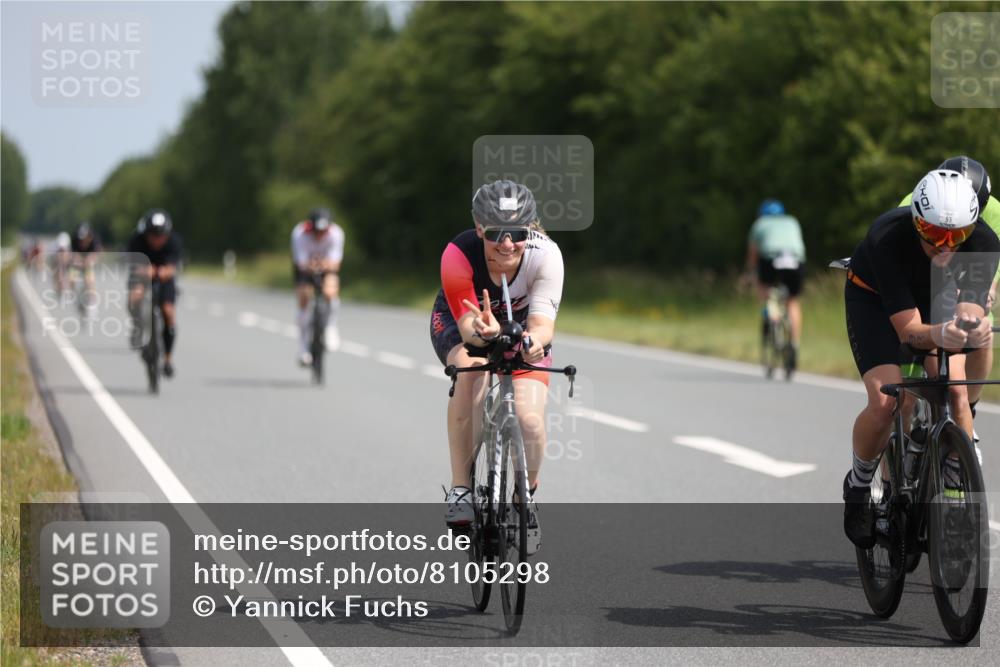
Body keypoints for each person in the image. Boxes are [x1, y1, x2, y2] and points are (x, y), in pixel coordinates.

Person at [842, 169, 998, 548]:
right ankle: (859, 485)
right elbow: (909, 332)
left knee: (957, 392)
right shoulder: (887, 237)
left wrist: (973, 326)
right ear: (916, 221)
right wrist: (940, 334)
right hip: (876, 300)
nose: (945, 246)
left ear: (972, 227)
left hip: (935, 291)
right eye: (934, 235)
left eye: (956, 236)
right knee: (887, 402)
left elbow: (969, 309)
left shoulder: (984, 241)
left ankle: (955, 486)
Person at [431, 180, 564, 555]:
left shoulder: (546, 255)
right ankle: (461, 487)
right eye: (496, 233)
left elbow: (542, 327)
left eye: (518, 233)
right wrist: (483, 333)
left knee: (529, 419)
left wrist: (529, 344)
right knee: (471, 372)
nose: (507, 243)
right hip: (467, 322)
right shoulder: (459, 253)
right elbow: (469, 330)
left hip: (522, 328)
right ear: (479, 228)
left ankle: (526, 498)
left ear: (531, 228)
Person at [898, 156, 1000, 415]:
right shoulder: (918, 200)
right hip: (923, 273)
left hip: (967, 273)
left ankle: (969, 409)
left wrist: (990, 288)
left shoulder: (995, 213)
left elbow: (990, 257)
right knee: (906, 395)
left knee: (980, 328)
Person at [745, 199, 806, 370]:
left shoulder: (760, 223)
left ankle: (772, 316)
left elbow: (753, 254)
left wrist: (750, 273)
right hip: (795, 260)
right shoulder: (792, 221)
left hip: (770, 259)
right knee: (793, 301)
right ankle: (794, 343)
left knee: (765, 288)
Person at [127, 209, 182, 378]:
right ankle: (138, 325)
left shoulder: (174, 241)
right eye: (153, 235)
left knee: (168, 312)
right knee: (135, 295)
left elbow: (173, 268)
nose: (157, 240)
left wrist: (162, 272)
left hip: (164, 279)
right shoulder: (137, 240)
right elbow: (133, 263)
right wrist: (144, 271)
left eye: (161, 236)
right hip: (141, 275)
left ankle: (167, 359)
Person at [290, 208, 344, 367]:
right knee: (304, 297)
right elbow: (301, 262)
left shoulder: (336, 234)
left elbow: (335, 263)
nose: (320, 235)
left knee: (331, 290)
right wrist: (311, 266)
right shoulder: (299, 233)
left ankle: (330, 327)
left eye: (323, 231)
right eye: (316, 231)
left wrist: (323, 265)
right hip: (305, 268)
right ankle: (303, 347)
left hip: (326, 267)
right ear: (310, 227)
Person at [70, 222, 102, 316]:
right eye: (81, 240)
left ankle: (92, 303)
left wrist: (90, 260)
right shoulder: (74, 239)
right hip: (77, 261)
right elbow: (72, 254)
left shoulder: (95, 240)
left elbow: (97, 253)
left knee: (90, 280)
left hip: (88, 261)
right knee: (71, 279)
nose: (82, 242)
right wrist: (78, 260)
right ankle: (74, 296)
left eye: (85, 239)